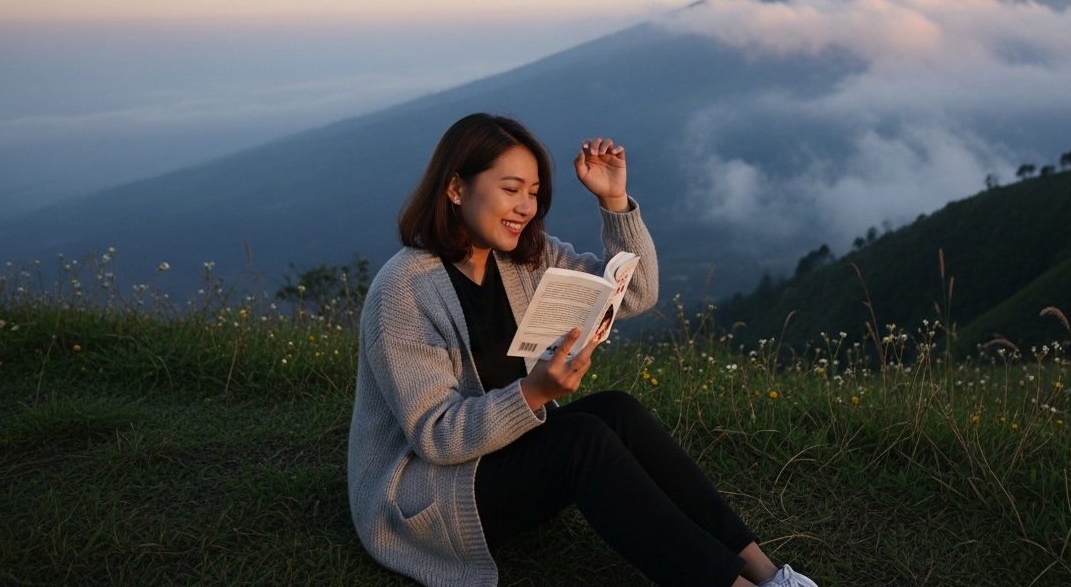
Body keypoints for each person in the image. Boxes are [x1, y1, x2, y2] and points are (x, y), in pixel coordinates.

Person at [347, 114, 817, 587]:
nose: (526, 207)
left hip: (499, 454)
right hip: (426, 499)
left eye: (534, 192)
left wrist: (614, 201)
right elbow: (437, 437)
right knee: (581, 442)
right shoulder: (404, 291)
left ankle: (770, 574)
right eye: (511, 189)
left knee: (617, 410)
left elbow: (636, 294)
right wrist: (534, 393)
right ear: (455, 188)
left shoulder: (524, 257)